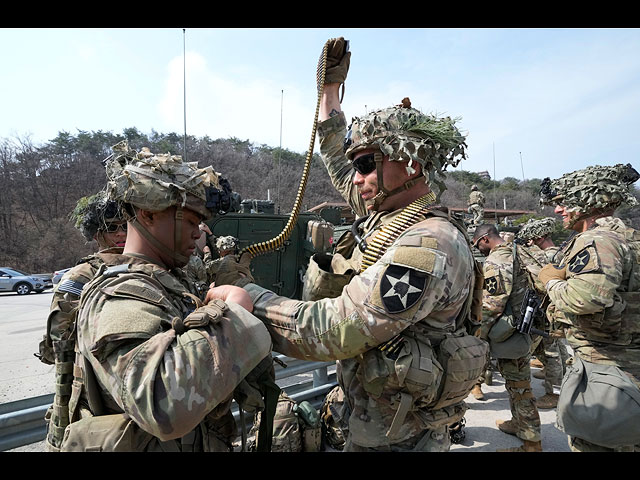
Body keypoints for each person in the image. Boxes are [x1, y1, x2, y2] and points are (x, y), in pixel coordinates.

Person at [208, 37, 488, 452]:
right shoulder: (388, 211)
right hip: (373, 414)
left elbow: (339, 329)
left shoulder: (428, 244)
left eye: (366, 164)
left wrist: (248, 296)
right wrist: (329, 92)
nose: (356, 178)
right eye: (358, 166)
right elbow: (338, 160)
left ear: (409, 162)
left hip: (400, 434)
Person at [56, 146, 275, 452]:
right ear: (148, 214)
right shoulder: (121, 294)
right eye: (190, 221)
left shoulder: (169, 279)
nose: (198, 234)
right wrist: (236, 313)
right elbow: (162, 403)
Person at [538, 163, 640, 452]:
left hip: (606, 368)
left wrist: (550, 282)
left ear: (589, 201)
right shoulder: (628, 237)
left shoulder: (597, 239)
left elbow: (585, 299)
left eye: (564, 202)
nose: (558, 210)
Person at [37, 187, 129, 450]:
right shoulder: (81, 274)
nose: (121, 234)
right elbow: (59, 337)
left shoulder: (147, 266)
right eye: (113, 228)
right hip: (87, 373)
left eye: (125, 227)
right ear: (96, 233)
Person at [472, 223, 548, 452]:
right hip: (526, 327)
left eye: (478, 245)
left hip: (510, 333)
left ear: (485, 239)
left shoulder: (498, 259)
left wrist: (478, 334)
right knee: (515, 383)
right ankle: (519, 424)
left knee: (520, 386)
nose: (479, 250)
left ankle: (532, 443)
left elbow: (493, 304)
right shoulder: (518, 250)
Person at [516, 217, 570, 409]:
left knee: (551, 351)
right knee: (558, 347)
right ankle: (563, 380)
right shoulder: (560, 252)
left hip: (549, 310)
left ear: (539, 237)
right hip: (556, 308)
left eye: (532, 239)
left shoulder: (547, 256)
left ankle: (553, 393)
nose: (530, 243)